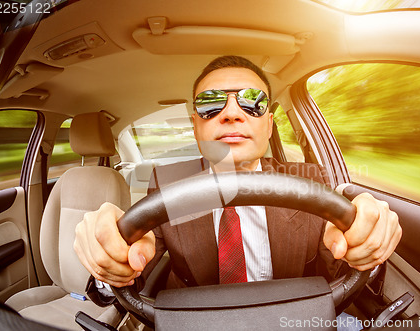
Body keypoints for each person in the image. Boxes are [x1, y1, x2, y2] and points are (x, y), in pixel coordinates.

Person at [74, 56, 401, 297]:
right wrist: (114, 257)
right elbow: (140, 254)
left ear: (269, 124)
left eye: (252, 102)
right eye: (211, 104)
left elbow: (337, 252)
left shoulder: (309, 180)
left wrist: (364, 237)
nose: (231, 113)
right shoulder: (167, 182)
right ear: (195, 125)